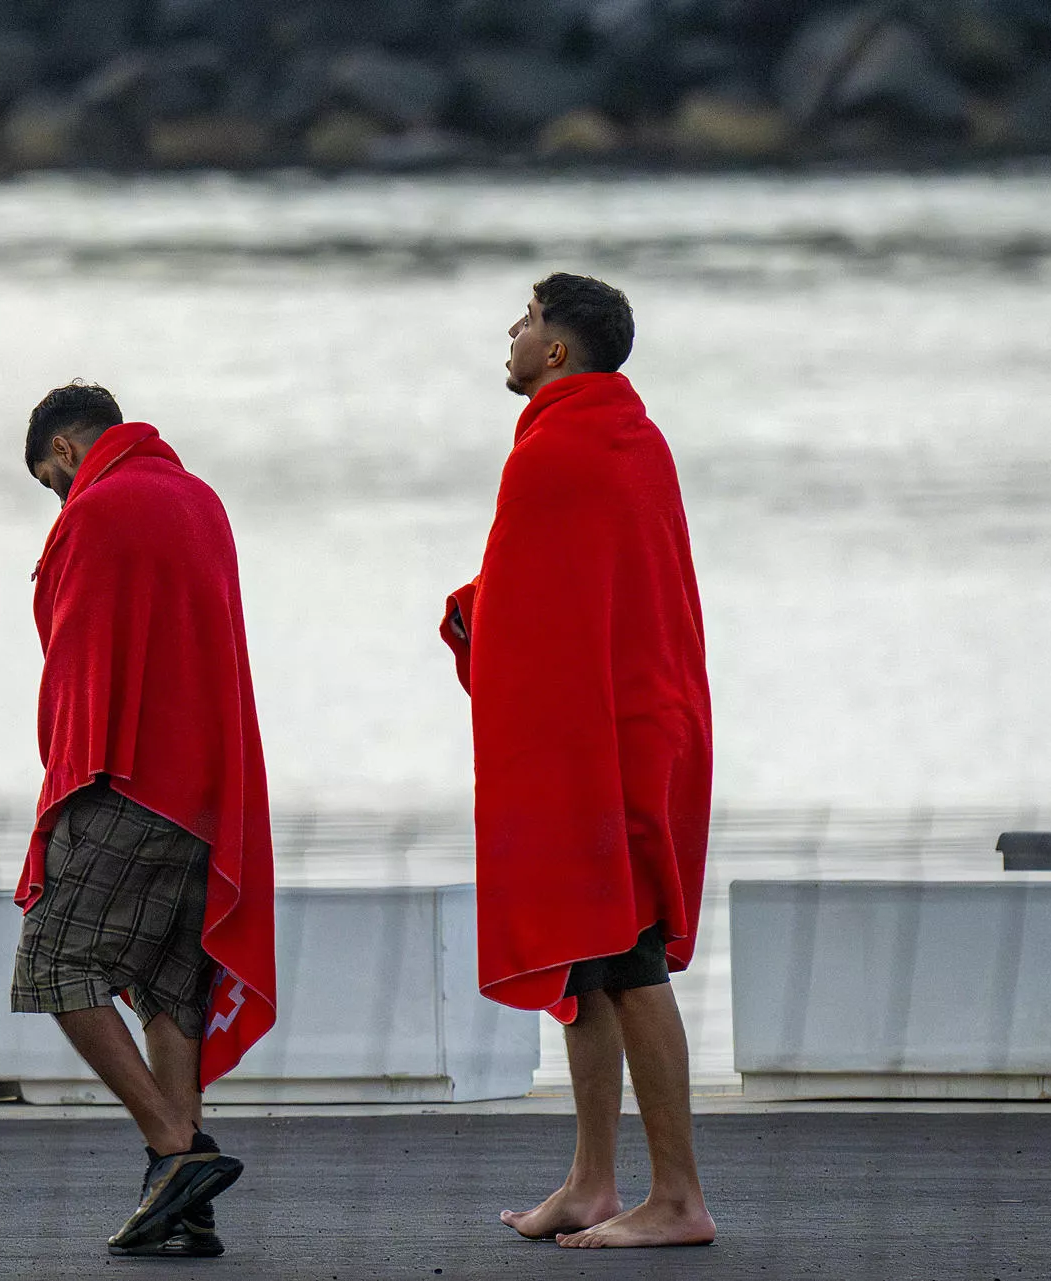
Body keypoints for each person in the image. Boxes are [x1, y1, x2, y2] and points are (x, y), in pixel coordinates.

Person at [441, 275, 717, 1249]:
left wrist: (467, 614)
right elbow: (571, 592)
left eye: (527, 320)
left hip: (613, 742)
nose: (512, 333)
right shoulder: (627, 438)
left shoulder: (557, 450)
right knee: (591, 962)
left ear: (558, 350)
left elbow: (529, 614)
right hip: (643, 723)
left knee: (630, 960)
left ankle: (677, 1198)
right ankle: (594, 1183)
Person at [11, 381, 277, 1257]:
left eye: (53, 481)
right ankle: (188, 1210)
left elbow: (79, 667)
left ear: (60, 452)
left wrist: (60, 800)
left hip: (128, 780)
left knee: (55, 959)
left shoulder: (95, 511)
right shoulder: (199, 498)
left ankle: (175, 1153)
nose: (60, 496)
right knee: (170, 984)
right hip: (211, 788)